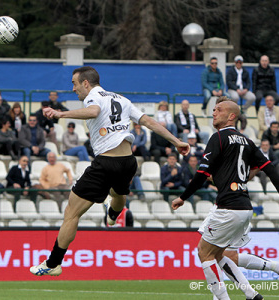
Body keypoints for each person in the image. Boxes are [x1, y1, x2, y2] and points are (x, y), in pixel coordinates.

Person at [30, 66, 189, 276]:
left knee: (71, 212)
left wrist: (61, 113)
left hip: (106, 162)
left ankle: (53, 263)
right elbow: (149, 122)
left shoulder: (92, 97)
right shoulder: (121, 99)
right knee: (118, 193)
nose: (74, 89)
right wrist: (177, 141)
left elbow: (94, 111)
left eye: (75, 84)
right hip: (128, 161)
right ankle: (113, 215)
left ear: (86, 83)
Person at [172, 96, 279, 299]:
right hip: (245, 208)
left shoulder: (219, 138)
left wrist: (183, 197)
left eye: (218, 109)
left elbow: (202, 174)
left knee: (204, 253)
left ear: (231, 116)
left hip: (227, 207)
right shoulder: (248, 142)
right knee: (220, 254)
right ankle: (250, 293)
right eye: (213, 109)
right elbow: (270, 169)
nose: (213, 112)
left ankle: (224, 297)